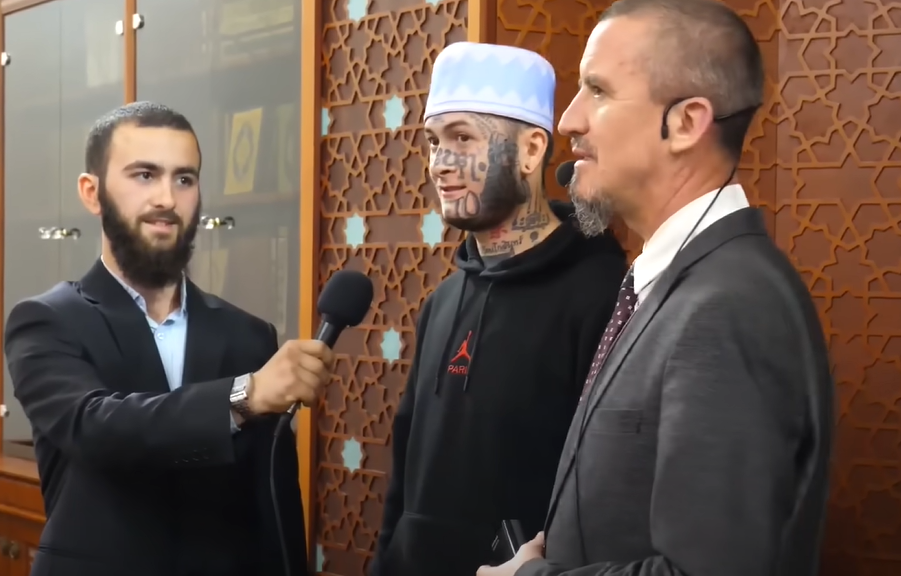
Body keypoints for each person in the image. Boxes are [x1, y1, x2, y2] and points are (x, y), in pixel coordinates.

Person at [478, 1, 835, 576]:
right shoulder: (667, 282)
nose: (567, 121)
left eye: (598, 91)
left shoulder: (728, 306)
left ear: (687, 123)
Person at [4, 102, 331, 576]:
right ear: (92, 193)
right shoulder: (46, 320)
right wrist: (245, 396)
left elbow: (273, 511)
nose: (166, 198)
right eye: (144, 175)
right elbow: (95, 428)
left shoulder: (248, 335)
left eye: (184, 179)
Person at [370, 42, 627, 576]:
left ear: (531, 151)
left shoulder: (600, 297)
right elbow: (406, 477)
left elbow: (607, 490)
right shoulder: (442, 302)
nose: (440, 164)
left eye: (462, 138)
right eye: (434, 142)